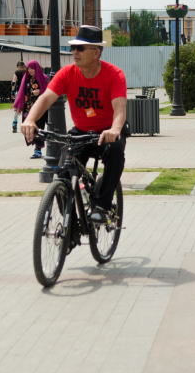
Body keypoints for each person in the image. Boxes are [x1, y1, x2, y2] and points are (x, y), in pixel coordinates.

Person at [21, 25, 127, 224]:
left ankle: (102, 206)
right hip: (80, 132)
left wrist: (115, 129)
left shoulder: (114, 74)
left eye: (80, 48)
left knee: (115, 154)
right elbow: (46, 98)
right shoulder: (67, 73)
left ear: (96, 52)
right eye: (73, 48)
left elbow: (120, 107)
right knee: (63, 172)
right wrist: (30, 120)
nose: (74, 52)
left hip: (107, 131)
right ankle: (72, 225)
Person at [14, 60, 49, 159]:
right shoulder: (26, 79)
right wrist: (18, 106)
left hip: (40, 109)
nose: (30, 70)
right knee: (28, 129)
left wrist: (40, 92)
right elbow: (21, 92)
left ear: (37, 68)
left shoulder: (44, 78)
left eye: (32, 68)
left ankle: (38, 150)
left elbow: (49, 92)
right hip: (28, 109)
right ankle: (37, 146)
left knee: (38, 129)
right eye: (28, 68)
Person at [10, 61, 26, 133]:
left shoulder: (17, 72)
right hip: (26, 91)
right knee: (26, 107)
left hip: (19, 92)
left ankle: (14, 124)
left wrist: (12, 91)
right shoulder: (27, 71)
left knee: (17, 108)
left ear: (17, 66)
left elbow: (13, 82)